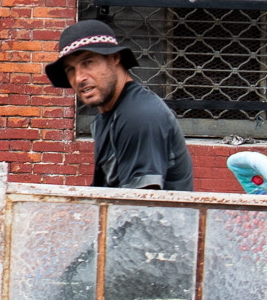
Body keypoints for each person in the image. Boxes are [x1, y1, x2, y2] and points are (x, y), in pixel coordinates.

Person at [45, 19, 194, 192]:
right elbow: (104, 195)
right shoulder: (105, 118)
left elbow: (141, 206)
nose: (79, 78)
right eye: (70, 69)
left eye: (88, 63)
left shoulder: (139, 116)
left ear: (115, 58)